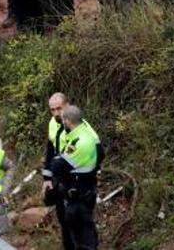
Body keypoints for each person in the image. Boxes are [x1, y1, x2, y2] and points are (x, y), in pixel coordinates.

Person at [49, 105, 104, 250]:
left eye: (62, 119)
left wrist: (57, 159)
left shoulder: (80, 141)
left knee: (83, 239)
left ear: (67, 121)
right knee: (79, 234)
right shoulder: (85, 132)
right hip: (82, 191)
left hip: (79, 196)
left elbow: (57, 166)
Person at [42, 92, 72, 249]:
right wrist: (47, 178)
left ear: (67, 106)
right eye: (52, 110)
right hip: (59, 180)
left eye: (58, 108)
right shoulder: (53, 123)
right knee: (63, 221)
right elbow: (50, 150)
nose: (55, 113)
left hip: (76, 181)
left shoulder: (77, 124)